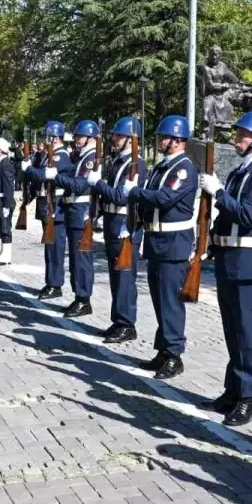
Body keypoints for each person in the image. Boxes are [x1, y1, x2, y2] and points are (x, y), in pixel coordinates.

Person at [199, 111, 252, 426]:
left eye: (243, 135)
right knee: (232, 331)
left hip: (249, 263)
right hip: (230, 259)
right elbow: (224, 218)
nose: (237, 139)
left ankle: (248, 398)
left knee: (247, 334)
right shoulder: (238, 171)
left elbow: (247, 216)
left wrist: (217, 193)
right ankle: (233, 390)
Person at [109, 115, 198, 380]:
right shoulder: (162, 167)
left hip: (173, 245)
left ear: (178, 140)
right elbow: (150, 203)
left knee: (170, 302)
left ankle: (174, 355)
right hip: (156, 242)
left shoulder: (183, 168)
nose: (160, 141)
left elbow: (164, 199)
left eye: (164, 137)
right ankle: (163, 350)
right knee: (160, 300)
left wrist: (134, 192)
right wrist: (134, 223)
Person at [91, 116, 148, 344]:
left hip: (126, 226)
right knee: (116, 276)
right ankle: (118, 320)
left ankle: (126, 323)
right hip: (112, 224)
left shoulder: (138, 165)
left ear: (131, 140)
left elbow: (121, 197)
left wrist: (98, 184)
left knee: (125, 277)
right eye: (115, 135)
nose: (114, 139)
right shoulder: (119, 162)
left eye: (119, 136)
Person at [50, 120, 101, 317]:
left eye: (79, 136)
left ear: (89, 138)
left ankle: (84, 299)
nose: (76, 140)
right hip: (74, 211)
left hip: (82, 212)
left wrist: (56, 177)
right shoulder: (81, 157)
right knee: (74, 260)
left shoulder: (91, 158)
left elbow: (79, 185)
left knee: (81, 260)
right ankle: (78, 297)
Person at [25, 122, 72, 300]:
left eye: (48, 137)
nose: (45, 140)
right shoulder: (49, 155)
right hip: (48, 206)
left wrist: (29, 169)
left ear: (55, 138)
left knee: (55, 249)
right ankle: (50, 281)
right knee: (49, 247)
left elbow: (44, 175)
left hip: (57, 208)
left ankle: (56, 284)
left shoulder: (61, 157)